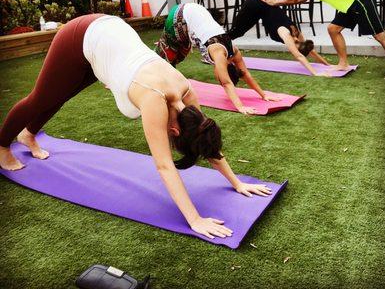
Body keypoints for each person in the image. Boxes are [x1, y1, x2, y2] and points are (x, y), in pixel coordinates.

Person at [0, 14, 272, 239]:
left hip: (112, 39)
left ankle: (28, 134)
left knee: (62, 94)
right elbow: (164, 165)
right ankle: (2, 145)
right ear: (174, 132)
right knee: (41, 97)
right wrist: (195, 219)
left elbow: (204, 138)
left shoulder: (188, 96)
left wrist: (236, 183)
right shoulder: (155, 100)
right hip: (81, 35)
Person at [262, 0, 385, 80]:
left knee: (379, 35)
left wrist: (276, 2)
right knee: (333, 29)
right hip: (349, 5)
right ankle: (343, 63)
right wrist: (279, 2)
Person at [155, 3, 281, 115]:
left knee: (180, 47)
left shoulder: (234, 51)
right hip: (179, 14)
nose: (216, 76)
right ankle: (158, 60)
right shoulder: (219, 55)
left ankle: (162, 45)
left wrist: (264, 95)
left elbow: (245, 74)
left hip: (195, 9)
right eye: (218, 78)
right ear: (223, 71)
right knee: (174, 55)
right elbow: (227, 83)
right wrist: (241, 107)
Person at [228, 0, 331, 76]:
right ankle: (218, 44)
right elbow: (299, 56)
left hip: (263, 5)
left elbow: (311, 51)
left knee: (240, 32)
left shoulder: (299, 36)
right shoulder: (285, 33)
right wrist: (315, 73)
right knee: (237, 32)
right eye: (295, 48)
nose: (293, 51)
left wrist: (327, 65)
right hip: (255, 4)